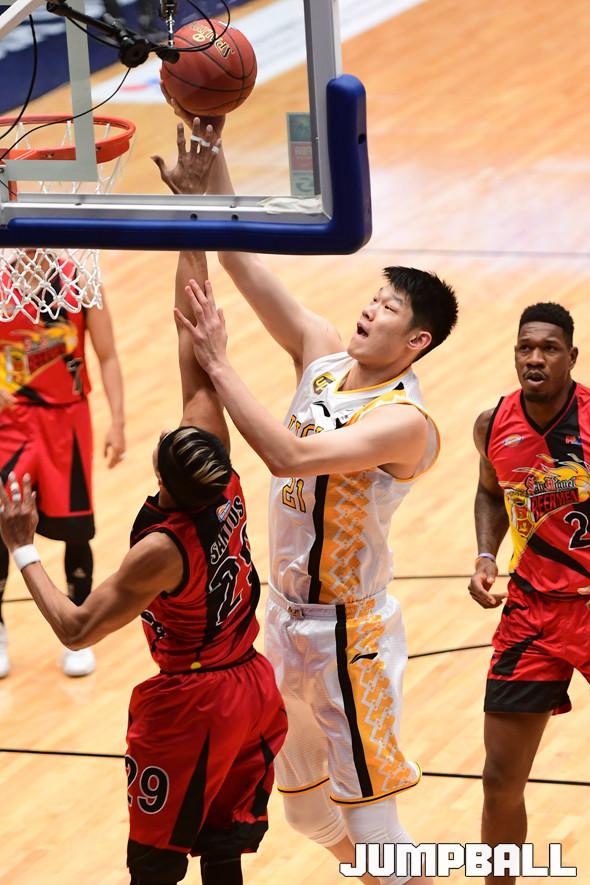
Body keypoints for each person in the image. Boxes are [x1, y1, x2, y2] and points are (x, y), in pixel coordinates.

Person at [164, 107, 458, 885]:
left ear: (417, 341)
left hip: (348, 637)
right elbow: (241, 260)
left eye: (390, 309)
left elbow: (288, 454)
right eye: (375, 296)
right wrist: (210, 161)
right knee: (302, 812)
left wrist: (220, 364)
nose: (371, 309)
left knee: (374, 823)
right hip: (283, 621)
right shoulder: (321, 353)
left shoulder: (405, 421)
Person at [0, 121, 287, 885]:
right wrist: (191, 215)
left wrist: (22, 543)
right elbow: (194, 338)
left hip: (195, 701)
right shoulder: (221, 479)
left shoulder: (161, 550)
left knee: (153, 867)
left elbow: (75, 624)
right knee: (222, 850)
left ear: (163, 474)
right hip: (250, 683)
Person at [468, 301, 590, 884]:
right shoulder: (493, 423)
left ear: (572, 356)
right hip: (531, 613)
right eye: (525, 348)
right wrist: (486, 554)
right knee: (499, 780)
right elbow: (490, 492)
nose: (534, 358)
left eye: (548, 348)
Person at [0, 252, 125, 677]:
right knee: (3, 523)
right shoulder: (3, 281)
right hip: (11, 421)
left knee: (76, 529)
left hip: (67, 421)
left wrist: (118, 422)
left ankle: (78, 629)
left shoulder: (80, 279)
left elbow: (108, 355)